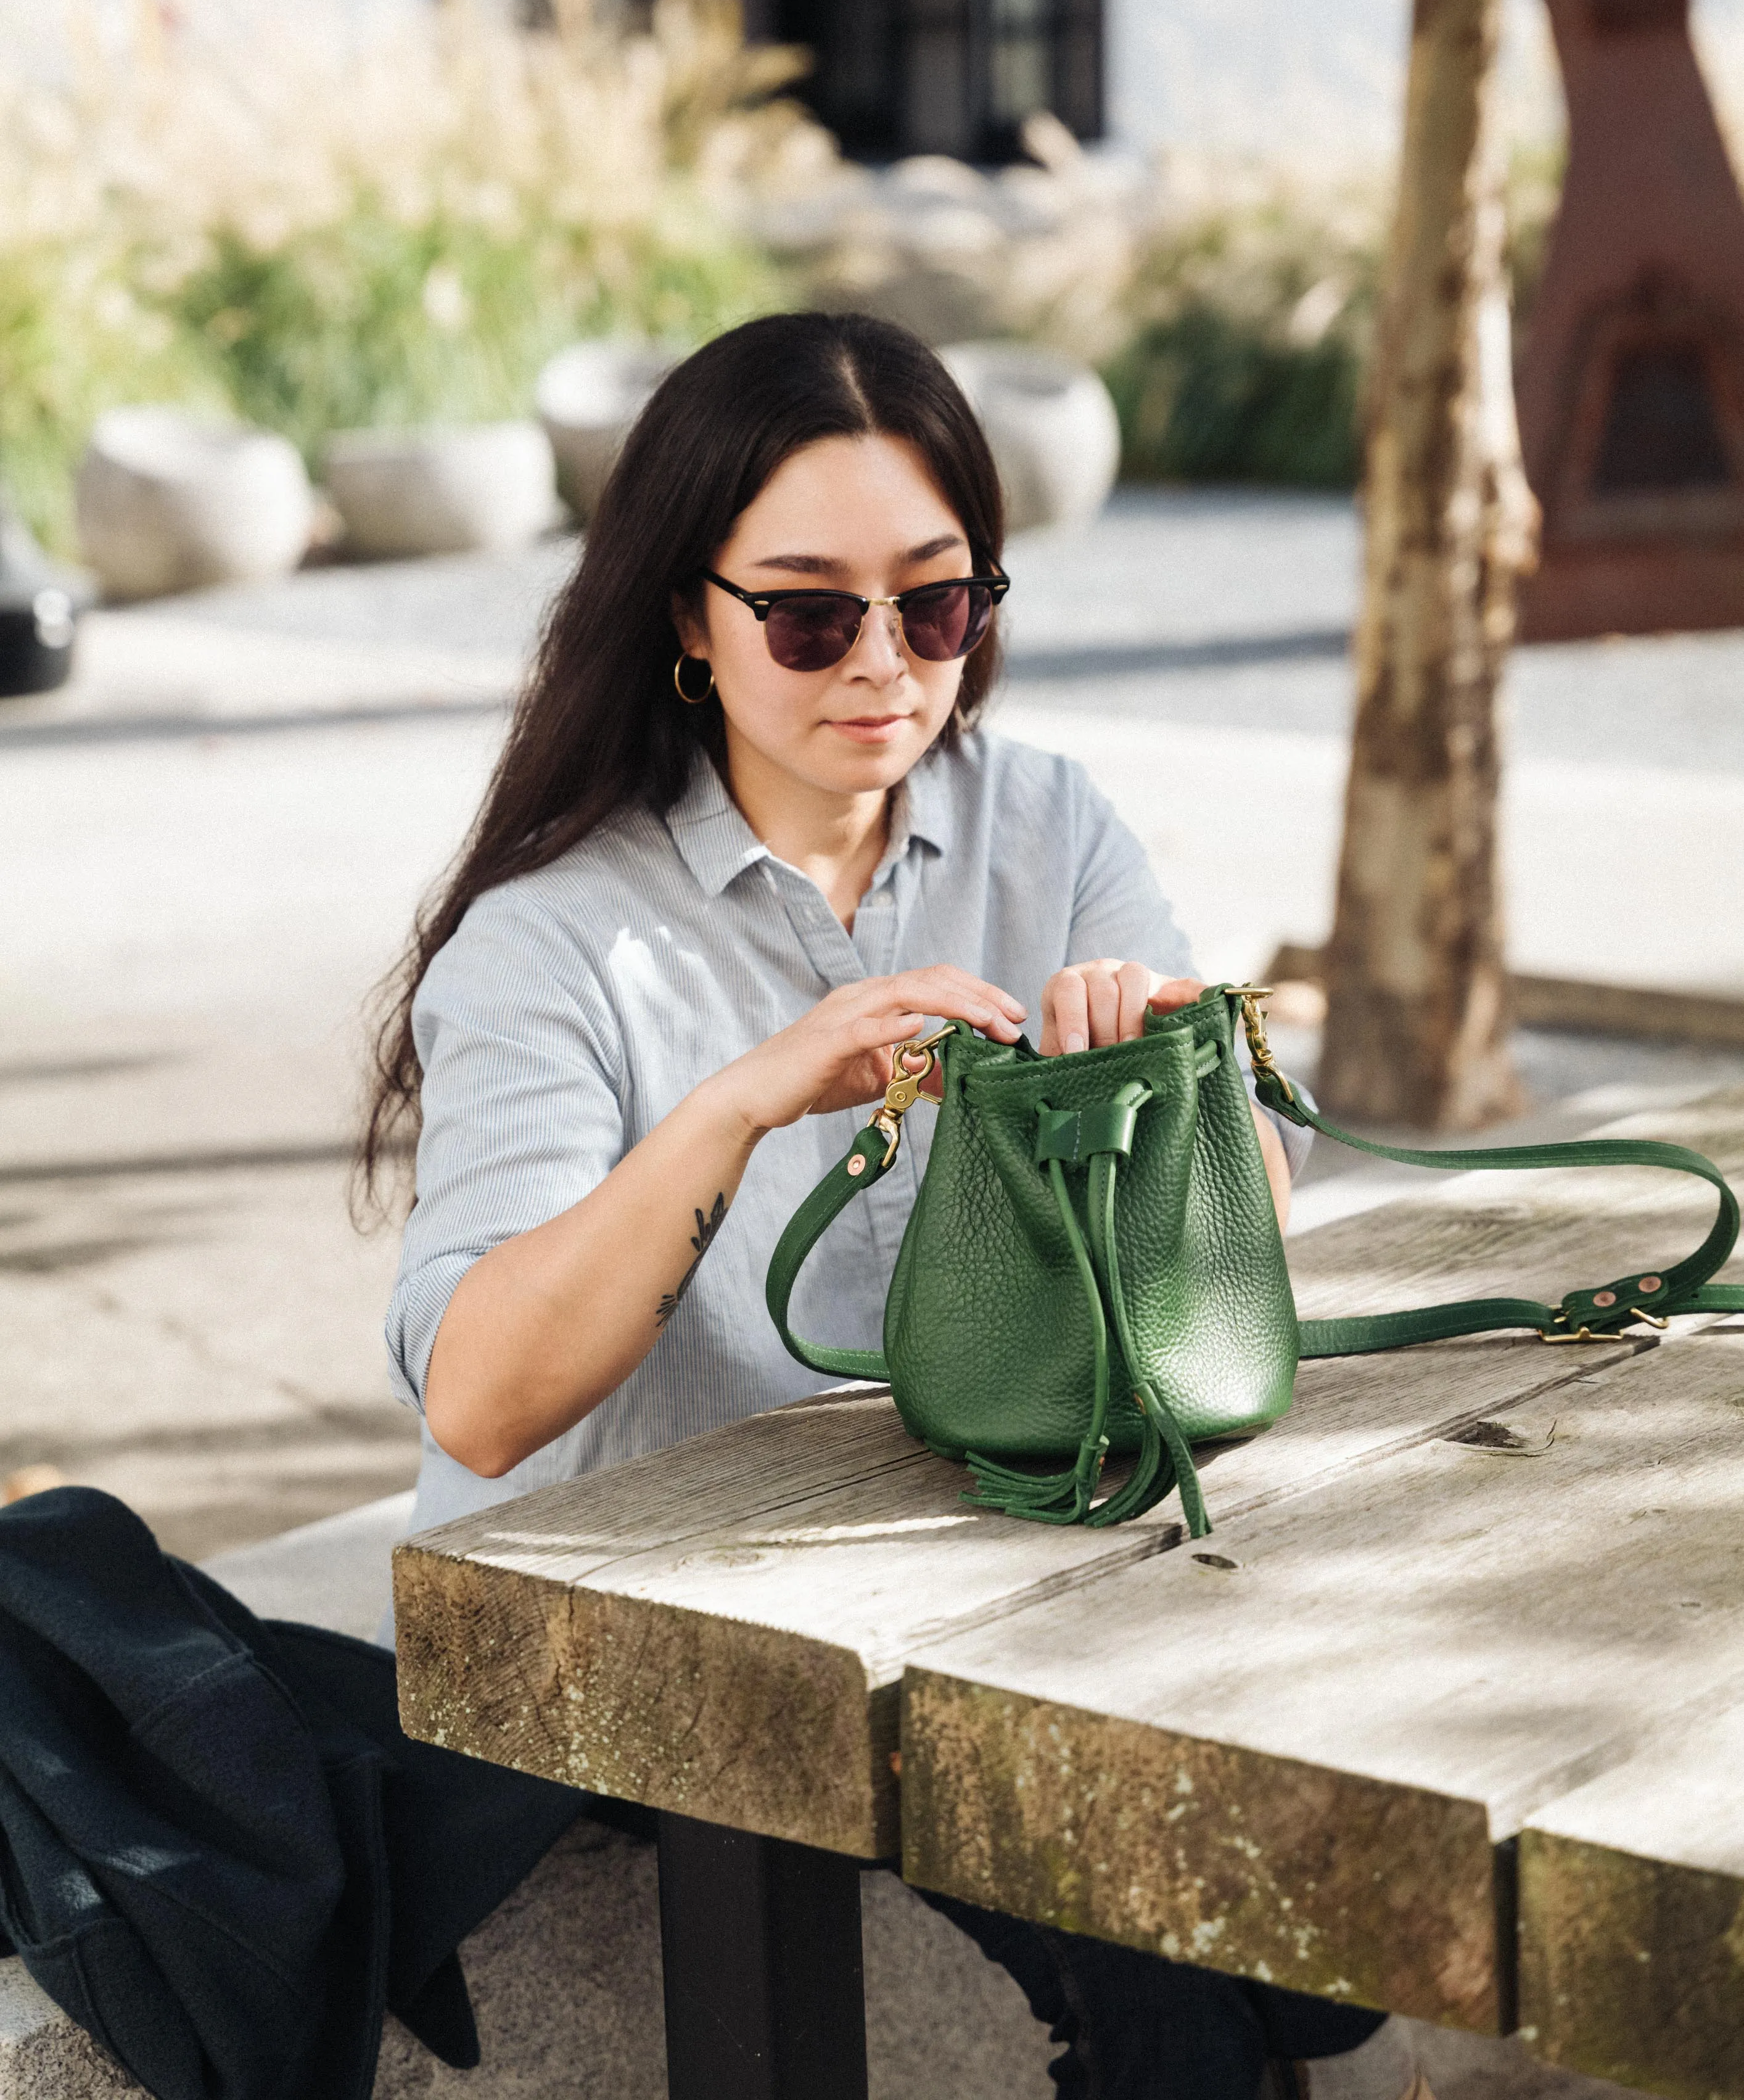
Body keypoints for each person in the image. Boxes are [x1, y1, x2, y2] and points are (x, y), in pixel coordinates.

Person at [361, 310, 1388, 2099]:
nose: (887, 667)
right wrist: (744, 1101)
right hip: (656, 1660)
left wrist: (1151, 1094)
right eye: (811, 612)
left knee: (1311, 1928)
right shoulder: (555, 938)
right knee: (1179, 2002)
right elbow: (483, 1394)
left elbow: (1253, 1245)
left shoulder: (1042, 823)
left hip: (973, 1598)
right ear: (688, 615)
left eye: (937, 602)